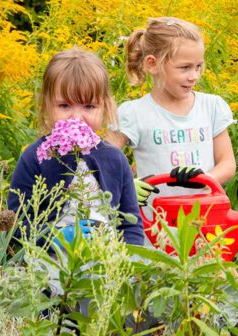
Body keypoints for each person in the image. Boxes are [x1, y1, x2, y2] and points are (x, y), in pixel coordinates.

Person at [8, 47, 143, 248]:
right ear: (47, 105)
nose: (76, 117)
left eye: (89, 107)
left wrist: (132, 263)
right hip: (49, 265)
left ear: (105, 107)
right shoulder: (35, 157)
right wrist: (53, 238)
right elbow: (16, 223)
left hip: (106, 264)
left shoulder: (115, 159)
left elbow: (130, 225)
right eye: (64, 106)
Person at [108, 16, 237, 206]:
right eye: (184, 68)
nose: (194, 76)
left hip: (205, 220)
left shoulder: (211, 107)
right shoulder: (134, 113)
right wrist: (127, 185)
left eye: (198, 66)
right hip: (155, 227)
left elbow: (227, 164)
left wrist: (203, 179)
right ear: (152, 64)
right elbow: (104, 161)